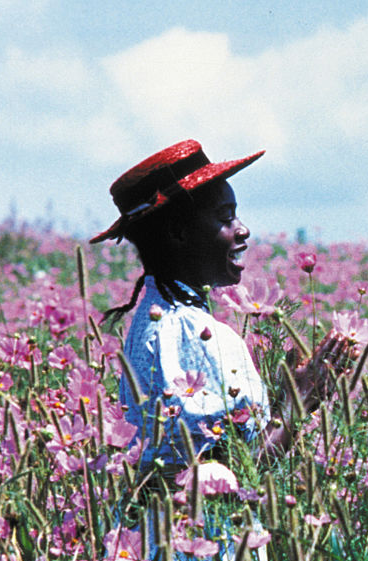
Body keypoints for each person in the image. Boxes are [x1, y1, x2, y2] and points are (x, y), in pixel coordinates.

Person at [92, 139, 348, 485]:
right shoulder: (184, 329)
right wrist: (299, 405)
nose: (243, 230)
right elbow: (221, 483)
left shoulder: (160, 318)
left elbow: (215, 452)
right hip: (202, 537)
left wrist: (284, 394)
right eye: (225, 217)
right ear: (178, 232)